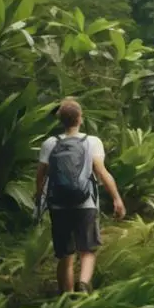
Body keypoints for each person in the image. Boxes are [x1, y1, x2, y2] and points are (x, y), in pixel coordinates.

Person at [34, 98, 125, 294]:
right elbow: (102, 172)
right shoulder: (92, 142)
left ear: (61, 120)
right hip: (85, 203)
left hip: (58, 205)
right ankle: (83, 284)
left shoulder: (50, 144)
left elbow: (40, 176)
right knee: (87, 250)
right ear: (80, 118)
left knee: (65, 256)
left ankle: (67, 301)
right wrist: (117, 199)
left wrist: (39, 200)